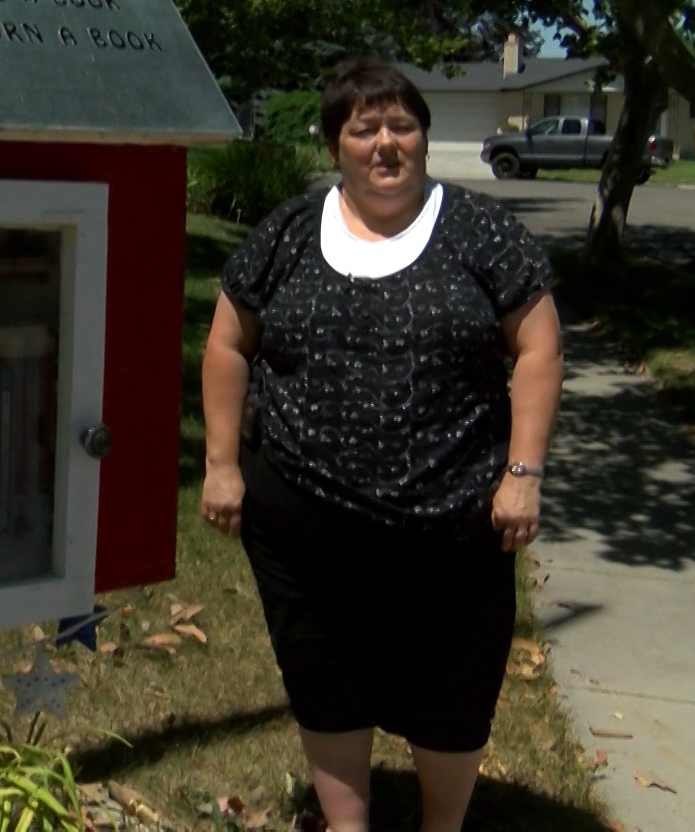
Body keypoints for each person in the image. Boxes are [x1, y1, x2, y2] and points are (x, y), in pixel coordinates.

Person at [198, 60, 563, 832]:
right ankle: (347, 823)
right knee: (325, 671)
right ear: (336, 145)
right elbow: (229, 341)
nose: (386, 144)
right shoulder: (291, 232)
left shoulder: (479, 231)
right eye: (365, 129)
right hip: (304, 522)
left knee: (454, 684)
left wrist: (523, 473)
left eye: (402, 125)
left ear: (423, 136)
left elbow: (537, 346)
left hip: (454, 523)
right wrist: (222, 464)